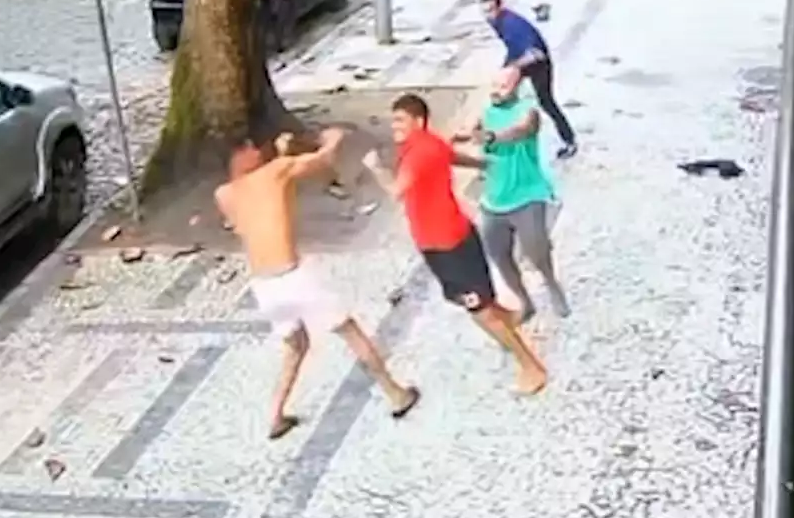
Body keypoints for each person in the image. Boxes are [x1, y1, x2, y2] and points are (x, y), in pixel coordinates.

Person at [215, 129, 421, 440]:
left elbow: (263, 203)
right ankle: (395, 393)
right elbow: (321, 163)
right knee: (349, 331)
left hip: (264, 286)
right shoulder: (276, 170)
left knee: (295, 346)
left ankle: (276, 414)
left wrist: (284, 157)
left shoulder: (223, 195)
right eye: (251, 146)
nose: (258, 150)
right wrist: (332, 140)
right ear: (240, 153)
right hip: (293, 274)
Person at [362, 93, 549, 395]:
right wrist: (480, 163)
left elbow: (397, 191)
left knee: (480, 313)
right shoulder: (431, 143)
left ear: (418, 121)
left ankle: (532, 368)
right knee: (484, 302)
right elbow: (450, 156)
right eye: (392, 119)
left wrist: (375, 168)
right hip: (457, 236)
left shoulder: (417, 153)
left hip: (446, 247)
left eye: (400, 120)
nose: (393, 125)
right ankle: (511, 323)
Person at [455, 67, 570, 323]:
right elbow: (466, 131)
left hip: (526, 196)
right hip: (493, 200)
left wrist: (492, 136)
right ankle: (525, 302)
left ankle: (551, 284)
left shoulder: (527, 111)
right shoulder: (484, 112)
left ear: (517, 88)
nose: (497, 91)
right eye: (494, 85)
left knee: (537, 252)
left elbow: (523, 129)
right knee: (499, 257)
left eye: (504, 86)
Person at [479, 0, 578, 159]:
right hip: (519, 58)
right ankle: (503, 139)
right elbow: (512, 46)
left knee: (546, 102)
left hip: (538, 65)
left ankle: (569, 141)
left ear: (500, 6)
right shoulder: (497, 22)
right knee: (501, 94)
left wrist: (514, 67)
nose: (488, 16)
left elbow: (537, 53)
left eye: (491, 10)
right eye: (485, 12)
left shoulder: (512, 24)